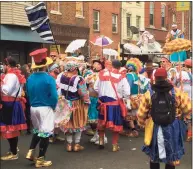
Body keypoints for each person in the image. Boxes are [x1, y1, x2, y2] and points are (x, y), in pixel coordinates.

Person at [137, 68, 192, 169]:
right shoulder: (176, 91)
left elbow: (141, 114)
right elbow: (188, 109)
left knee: (153, 155)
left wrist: (142, 124)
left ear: (155, 78)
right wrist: (180, 115)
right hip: (173, 125)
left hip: (155, 126)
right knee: (171, 157)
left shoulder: (149, 92)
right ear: (166, 77)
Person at [25, 48, 58, 168]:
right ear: (46, 65)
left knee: (38, 130)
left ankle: (30, 151)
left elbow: (28, 92)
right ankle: (40, 159)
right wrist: (53, 106)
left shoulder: (30, 78)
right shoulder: (49, 78)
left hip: (33, 107)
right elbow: (54, 96)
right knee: (46, 133)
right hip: (45, 108)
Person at [94, 60, 130, 151]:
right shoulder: (121, 77)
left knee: (101, 123)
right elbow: (127, 92)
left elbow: (95, 87)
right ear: (119, 67)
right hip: (114, 104)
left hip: (102, 102)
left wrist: (103, 92)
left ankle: (101, 141)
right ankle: (114, 145)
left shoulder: (101, 74)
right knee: (116, 124)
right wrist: (122, 96)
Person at [58, 61, 90, 152]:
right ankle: (76, 144)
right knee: (78, 122)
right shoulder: (79, 79)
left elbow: (60, 90)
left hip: (65, 103)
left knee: (68, 123)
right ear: (75, 69)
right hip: (76, 103)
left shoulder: (62, 77)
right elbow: (83, 93)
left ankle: (69, 144)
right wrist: (87, 101)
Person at [0, 56, 27, 160]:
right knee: (10, 128)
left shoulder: (11, 76)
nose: (3, 67)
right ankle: (13, 149)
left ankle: (14, 152)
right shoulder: (11, 74)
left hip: (9, 104)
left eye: (4, 65)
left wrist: (1, 83)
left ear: (7, 65)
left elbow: (7, 91)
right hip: (9, 104)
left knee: (10, 129)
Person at [84, 59, 107, 145]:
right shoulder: (90, 74)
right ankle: (96, 134)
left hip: (99, 99)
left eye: (97, 64)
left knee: (98, 119)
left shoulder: (103, 75)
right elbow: (85, 83)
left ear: (101, 65)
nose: (95, 65)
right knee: (91, 119)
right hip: (91, 98)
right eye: (94, 64)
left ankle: (102, 136)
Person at [20, 64, 31, 135]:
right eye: (28, 69)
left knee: (22, 112)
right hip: (28, 96)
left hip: (22, 96)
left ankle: (21, 128)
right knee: (27, 112)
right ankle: (28, 129)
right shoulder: (30, 77)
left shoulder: (20, 77)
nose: (29, 69)